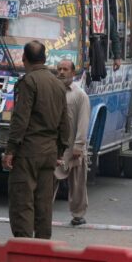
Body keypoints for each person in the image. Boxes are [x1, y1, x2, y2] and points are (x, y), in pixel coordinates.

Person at [3, 41, 69, 239]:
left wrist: (10, 149)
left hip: (29, 150)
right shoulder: (58, 84)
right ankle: (42, 246)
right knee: (44, 202)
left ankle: (24, 246)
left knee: (22, 201)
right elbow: (65, 121)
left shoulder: (28, 82)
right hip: (49, 151)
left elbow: (20, 119)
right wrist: (59, 151)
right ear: (45, 59)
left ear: (24, 59)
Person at [55, 58, 90, 226]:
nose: (61, 72)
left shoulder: (80, 95)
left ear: (73, 73)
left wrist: (79, 146)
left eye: (65, 69)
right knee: (48, 181)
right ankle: (43, 212)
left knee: (77, 183)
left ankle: (78, 214)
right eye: (59, 69)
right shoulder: (53, 91)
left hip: (74, 146)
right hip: (55, 146)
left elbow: (83, 122)